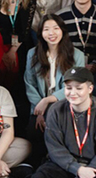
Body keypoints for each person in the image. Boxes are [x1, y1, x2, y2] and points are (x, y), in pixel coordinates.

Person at [23, 14, 86, 165]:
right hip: (39, 106)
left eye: (55, 28)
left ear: (63, 31)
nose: (51, 33)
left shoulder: (77, 55)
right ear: (41, 33)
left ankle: (61, 162)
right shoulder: (32, 54)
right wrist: (40, 109)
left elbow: (75, 86)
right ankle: (37, 165)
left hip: (66, 105)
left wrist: (48, 101)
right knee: (34, 129)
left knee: (60, 127)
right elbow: (29, 83)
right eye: (46, 29)